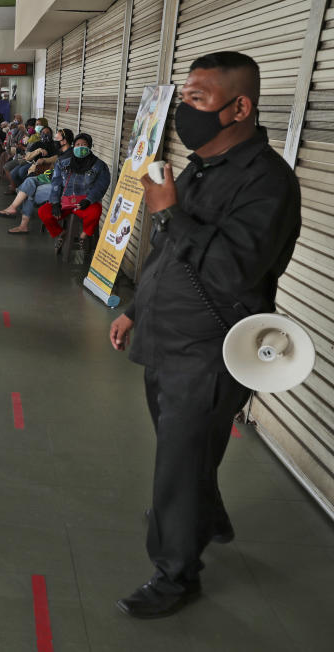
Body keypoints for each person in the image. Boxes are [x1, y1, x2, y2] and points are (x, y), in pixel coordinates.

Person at [109, 52, 301, 620]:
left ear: (239, 107)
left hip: (211, 351)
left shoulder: (268, 182)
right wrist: (133, 307)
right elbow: (168, 256)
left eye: (198, 99)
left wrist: (167, 212)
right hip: (165, 337)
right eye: (183, 98)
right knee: (186, 456)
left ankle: (175, 575)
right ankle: (205, 514)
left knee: (178, 464)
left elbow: (232, 271)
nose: (184, 112)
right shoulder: (199, 168)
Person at [37, 133, 111, 255]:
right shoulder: (63, 162)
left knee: (96, 211)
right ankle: (60, 233)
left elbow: (101, 185)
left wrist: (89, 200)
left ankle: (84, 235)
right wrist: (55, 202)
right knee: (43, 212)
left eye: (84, 145)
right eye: (77, 145)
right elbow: (56, 182)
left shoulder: (99, 165)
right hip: (64, 203)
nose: (80, 147)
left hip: (83, 204)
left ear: (90, 146)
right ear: (73, 146)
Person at [0, 128, 75, 234]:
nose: (55, 140)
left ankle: (22, 223)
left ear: (64, 141)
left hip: (60, 187)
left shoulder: (70, 156)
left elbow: (63, 178)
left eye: (57, 138)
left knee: (30, 191)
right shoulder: (62, 152)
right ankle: (13, 208)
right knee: (30, 181)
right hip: (52, 178)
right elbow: (55, 168)